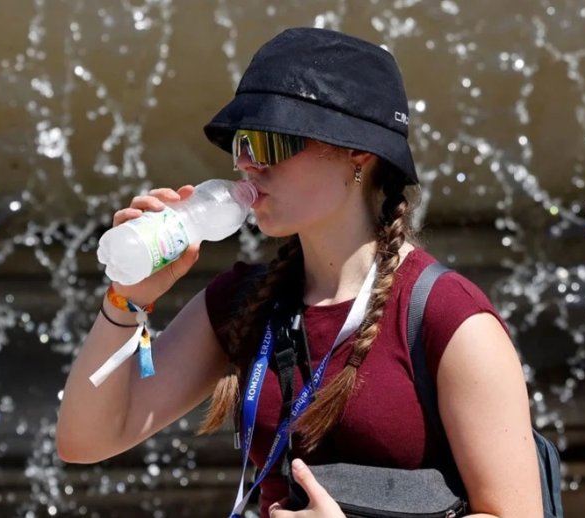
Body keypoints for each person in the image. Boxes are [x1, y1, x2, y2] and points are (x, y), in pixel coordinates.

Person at [57, 27, 543, 517]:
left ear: (359, 153)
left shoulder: (450, 316)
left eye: (271, 142)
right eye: (241, 142)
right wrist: (128, 298)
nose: (247, 165)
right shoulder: (243, 301)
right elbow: (86, 439)